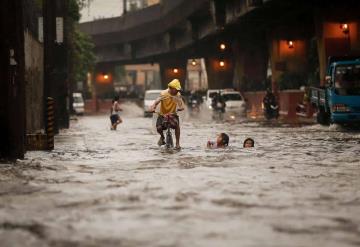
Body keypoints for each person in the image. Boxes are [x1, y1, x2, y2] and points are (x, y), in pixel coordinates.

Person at [150, 79, 184, 149]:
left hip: (173, 114)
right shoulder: (164, 93)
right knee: (159, 128)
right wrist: (153, 107)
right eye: (176, 89)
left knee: (177, 126)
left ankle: (177, 143)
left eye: (178, 90)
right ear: (171, 88)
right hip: (162, 114)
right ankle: (162, 137)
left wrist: (181, 108)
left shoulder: (178, 95)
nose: (178, 91)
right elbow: (156, 102)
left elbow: (181, 104)